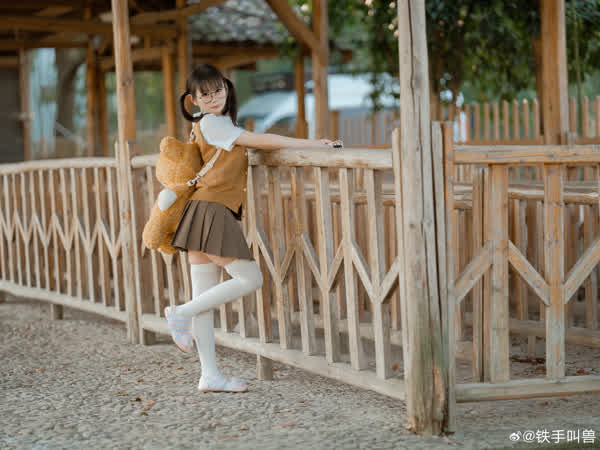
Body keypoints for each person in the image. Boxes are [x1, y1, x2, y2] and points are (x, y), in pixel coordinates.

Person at [163, 63, 342, 393]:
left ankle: (209, 375)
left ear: (226, 88)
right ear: (193, 100)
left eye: (218, 90)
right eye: (205, 94)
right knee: (250, 279)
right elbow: (262, 139)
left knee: (204, 298)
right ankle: (180, 313)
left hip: (200, 211)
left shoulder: (210, 125)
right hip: (212, 212)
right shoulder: (213, 123)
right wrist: (313, 143)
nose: (214, 97)